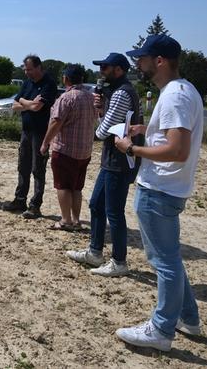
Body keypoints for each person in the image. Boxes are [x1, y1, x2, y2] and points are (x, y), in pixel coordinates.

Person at [114, 35, 204, 352]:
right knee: (171, 259)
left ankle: (162, 330)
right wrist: (147, 131)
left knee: (164, 262)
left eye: (143, 58)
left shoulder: (175, 96)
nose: (138, 63)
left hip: (159, 190)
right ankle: (189, 318)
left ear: (160, 61)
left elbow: (177, 150)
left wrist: (132, 147)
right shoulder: (183, 90)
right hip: (169, 189)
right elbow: (170, 137)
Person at [67, 53, 142, 277]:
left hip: (119, 161)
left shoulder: (121, 93)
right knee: (97, 205)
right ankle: (95, 252)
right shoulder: (119, 91)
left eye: (105, 67)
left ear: (118, 69)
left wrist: (101, 116)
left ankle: (119, 262)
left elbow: (102, 131)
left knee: (115, 212)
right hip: (112, 160)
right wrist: (101, 110)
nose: (101, 71)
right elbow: (107, 123)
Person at [39, 64, 97, 229]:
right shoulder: (91, 97)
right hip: (85, 151)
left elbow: (56, 122)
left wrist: (45, 143)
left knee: (63, 185)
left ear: (66, 78)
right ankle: (76, 219)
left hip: (65, 150)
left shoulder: (66, 98)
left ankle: (65, 220)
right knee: (77, 187)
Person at [4, 55, 58, 218]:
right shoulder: (27, 83)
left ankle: (35, 205)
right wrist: (26, 101)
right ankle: (20, 199)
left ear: (39, 67)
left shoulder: (49, 83)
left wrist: (24, 103)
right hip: (26, 131)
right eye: (25, 69)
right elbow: (15, 105)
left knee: (37, 169)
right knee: (23, 166)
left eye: (29, 69)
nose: (27, 73)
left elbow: (37, 107)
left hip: (41, 132)